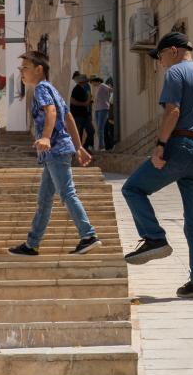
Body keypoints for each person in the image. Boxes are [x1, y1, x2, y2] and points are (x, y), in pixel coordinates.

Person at [121, 31, 193, 299]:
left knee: (133, 189)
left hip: (181, 147)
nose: (160, 63)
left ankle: (154, 238)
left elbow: (173, 111)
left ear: (173, 51)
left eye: (160, 56)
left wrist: (161, 145)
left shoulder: (176, 73)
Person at [8, 51, 100, 256]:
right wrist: (79, 147)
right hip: (56, 152)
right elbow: (68, 117)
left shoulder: (41, 88)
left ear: (39, 69)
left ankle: (88, 235)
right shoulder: (52, 89)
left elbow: (52, 112)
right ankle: (32, 244)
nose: (21, 72)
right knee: (44, 199)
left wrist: (47, 137)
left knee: (67, 193)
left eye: (25, 68)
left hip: (55, 150)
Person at [69, 71, 96, 150]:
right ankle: (79, 150)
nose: (86, 82)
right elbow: (72, 101)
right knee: (79, 133)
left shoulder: (84, 88)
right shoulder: (76, 89)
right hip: (78, 115)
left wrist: (88, 102)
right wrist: (84, 104)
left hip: (84, 114)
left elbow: (87, 102)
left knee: (91, 131)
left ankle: (84, 147)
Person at [90, 75, 114, 150]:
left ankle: (102, 146)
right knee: (99, 129)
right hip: (98, 110)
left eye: (92, 82)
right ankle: (101, 145)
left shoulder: (102, 85)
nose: (92, 84)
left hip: (103, 109)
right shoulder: (98, 88)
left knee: (100, 128)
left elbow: (111, 90)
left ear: (96, 81)